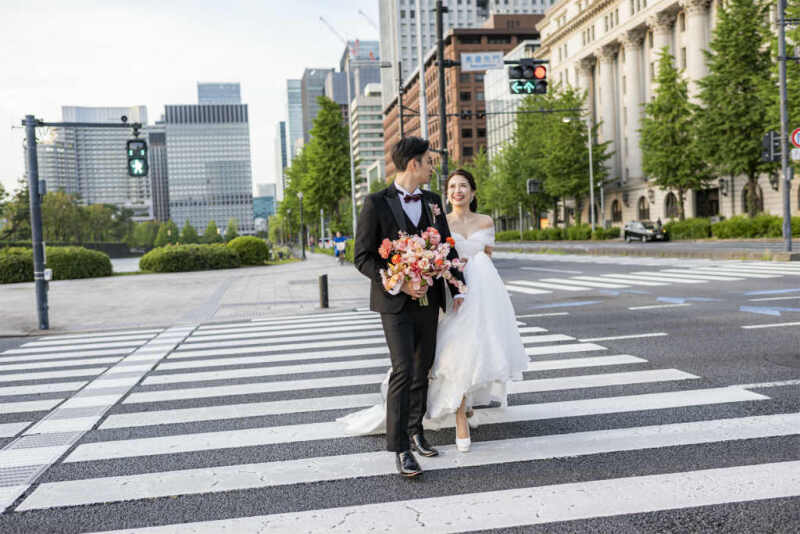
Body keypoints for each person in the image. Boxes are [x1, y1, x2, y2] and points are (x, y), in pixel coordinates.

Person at [340, 167, 528, 457]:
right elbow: (371, 254)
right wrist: (408, 278)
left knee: (462, 354)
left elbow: (481, 257)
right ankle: (418, 436)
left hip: (473, 291)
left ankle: (428, 423)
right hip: (433, 292)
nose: (457, 191)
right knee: (434, 360)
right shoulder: (409, 208)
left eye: (463, 185)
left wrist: (465, 287)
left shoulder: (444, 207)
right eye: (452, 186)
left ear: (473, 191)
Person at [348, 137, 465, 478]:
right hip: (395, 302)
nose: (432, 167)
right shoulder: (376, 202)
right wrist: (398, 280)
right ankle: (400, 448)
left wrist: (458, 287)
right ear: (413, 164)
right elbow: (362, 257)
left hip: (429, 300)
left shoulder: (432, 202)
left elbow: (447, 246)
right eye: (428, 161)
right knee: (403, 370)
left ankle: (416, 430)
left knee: (422, 367)